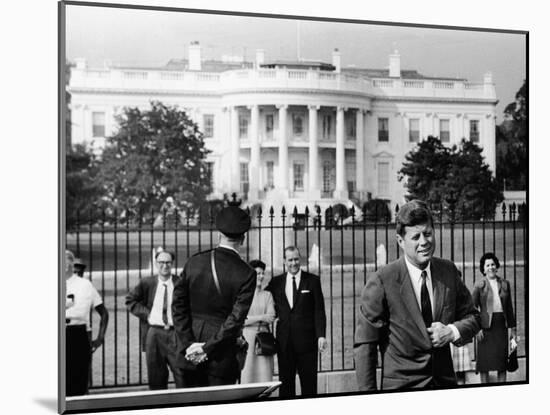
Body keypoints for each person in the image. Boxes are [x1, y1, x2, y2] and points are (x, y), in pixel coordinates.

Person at [354, 200, 480, 390]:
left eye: (428, 234)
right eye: (416, 237)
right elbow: (365, 345)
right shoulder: (383, 280)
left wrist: (451, 331)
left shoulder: (448, 271)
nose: (424, 242)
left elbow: (474, 317)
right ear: (400, 241)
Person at [172, 205, 257, 387]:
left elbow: (178, 307)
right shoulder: (246, 273)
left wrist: (190, 345)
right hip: (221, 356)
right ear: (243, 238)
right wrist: (206, 347)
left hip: (188, 353)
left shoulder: (195, 261)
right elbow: (235, 320)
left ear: (219, 234)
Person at [266, 246, 327, 397]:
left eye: (296, 259)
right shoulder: (276, 282)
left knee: (309, 385)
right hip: (284, 343)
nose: (294, 263)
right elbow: (262, 296)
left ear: (300, 259)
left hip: (307, 343)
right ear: (284, 261)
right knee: (285, 386)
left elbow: (319, 310)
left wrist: (321, 335)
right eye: (290, 260)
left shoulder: (313, 281)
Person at [125, 249, 185, 390]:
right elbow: (130, 300)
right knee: (156, 378)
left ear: (172, 263)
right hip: (154, 334)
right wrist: (148, 315)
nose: (165, 266)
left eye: (168, 262)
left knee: (182, 375)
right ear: (156, 263)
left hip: (175, 334)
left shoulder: (180, 283)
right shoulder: (147, 283)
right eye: (161, 262)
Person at [65, 249, 109, 396]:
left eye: (66, 262)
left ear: (70, 264)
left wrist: (100, 338)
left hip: (77, 332)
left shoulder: (85, 285)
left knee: (78, 379)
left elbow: (103, 312)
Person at [472, 252, 517, 383]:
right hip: (484, 329)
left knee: (501, 364)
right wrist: (476, 329)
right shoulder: (478, 285)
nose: (491, 267)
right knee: (484, 366)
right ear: (483, 269)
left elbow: (509, 309)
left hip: (501, 328)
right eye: (487, 265)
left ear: (496, 266)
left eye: (493, 264)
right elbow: (472, 309)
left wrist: (513, 330)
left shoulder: (505, 284)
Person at [241, 260, 276, 384]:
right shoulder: (242, 296)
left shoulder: (268, 295)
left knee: (264, 376)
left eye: (262, 273)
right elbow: (240, 320)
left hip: (263, 340)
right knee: (247, 374)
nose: (261, 276)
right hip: (247, 340)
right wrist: (261, 318)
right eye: (257, 273)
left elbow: (271, 316)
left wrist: (250, 319)